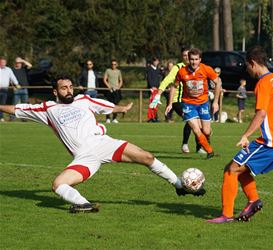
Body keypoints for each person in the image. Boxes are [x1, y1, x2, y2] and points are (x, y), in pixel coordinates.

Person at [0, 75, 205, 213]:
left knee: (147, 157)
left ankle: (179, 186)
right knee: (57, 184)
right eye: (64, 88)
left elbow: (104, 106)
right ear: (55, 92)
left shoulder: (83, 100)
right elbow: (17, 109)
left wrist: (122, 108)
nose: (69, 90)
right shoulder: (47, 109)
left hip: (104, 143)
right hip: (84, 157)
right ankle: (83, 204)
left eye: (70, 87)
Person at [206, 46, 273, 223]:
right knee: (242, 171)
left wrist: (245, 135)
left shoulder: (263, 84)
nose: (247, 70)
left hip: (270, 142)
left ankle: (226, 215)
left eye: (247, 66)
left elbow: (261, 113)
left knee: (231, 170)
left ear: (253, 63)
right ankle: (253, 201)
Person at [165, 48, 222, 159]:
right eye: (191, 59)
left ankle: (208, 134)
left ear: (200, 59)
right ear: (188, 59)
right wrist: (170, 103)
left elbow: (218, 82)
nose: (194, 62)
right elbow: (174, 86)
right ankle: (209, 151)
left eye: (196, 59)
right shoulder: (182, 71)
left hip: (203, 103)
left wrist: (215, 102)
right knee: (196, 130)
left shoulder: (206, 69)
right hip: (188, 104)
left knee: (205, 130)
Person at [149, 48, 200, 154]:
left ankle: (195, 146)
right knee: (192, 120)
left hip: (191, 101)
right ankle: (193, 146)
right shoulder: (178, 67)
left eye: (188, 55)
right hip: (178, 101)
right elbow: (167, 80)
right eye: (184, 56)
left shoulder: (195, 68)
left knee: (195, 121)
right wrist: (159, 93)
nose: (187, 57)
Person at [0, 56, 20, 122]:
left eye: (4, 62)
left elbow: (13, 77)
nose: (2, 63)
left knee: (2, 104)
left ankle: (1, 118)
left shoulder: (8, 69)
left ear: (5, 63)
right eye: (1, 62)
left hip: (5, 90)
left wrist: (16, 84)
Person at [103, 59, 123, 123]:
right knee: (108, 104)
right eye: (112, 64)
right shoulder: (108, 70)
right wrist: (109, 86)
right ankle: (108, 118)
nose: (113, 65)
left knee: (116, 104)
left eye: (114, 64)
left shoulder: (118, 71)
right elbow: (105, 79)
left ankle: (114, 118)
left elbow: (121, 80)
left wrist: (118, 87)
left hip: (116, 90)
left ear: (116, 65)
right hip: (110, 90)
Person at [146, 57, 162, 122]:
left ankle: (155, 117)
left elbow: (159, 78)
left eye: (157, 61)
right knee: (152, 103)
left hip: (157, 89)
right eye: (155, 61)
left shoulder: (158, 70)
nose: (156, 62)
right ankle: (151, 117)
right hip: (152, 89)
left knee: (155, 104)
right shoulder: (149, 69)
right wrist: (152, 86)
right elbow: (149, 78)